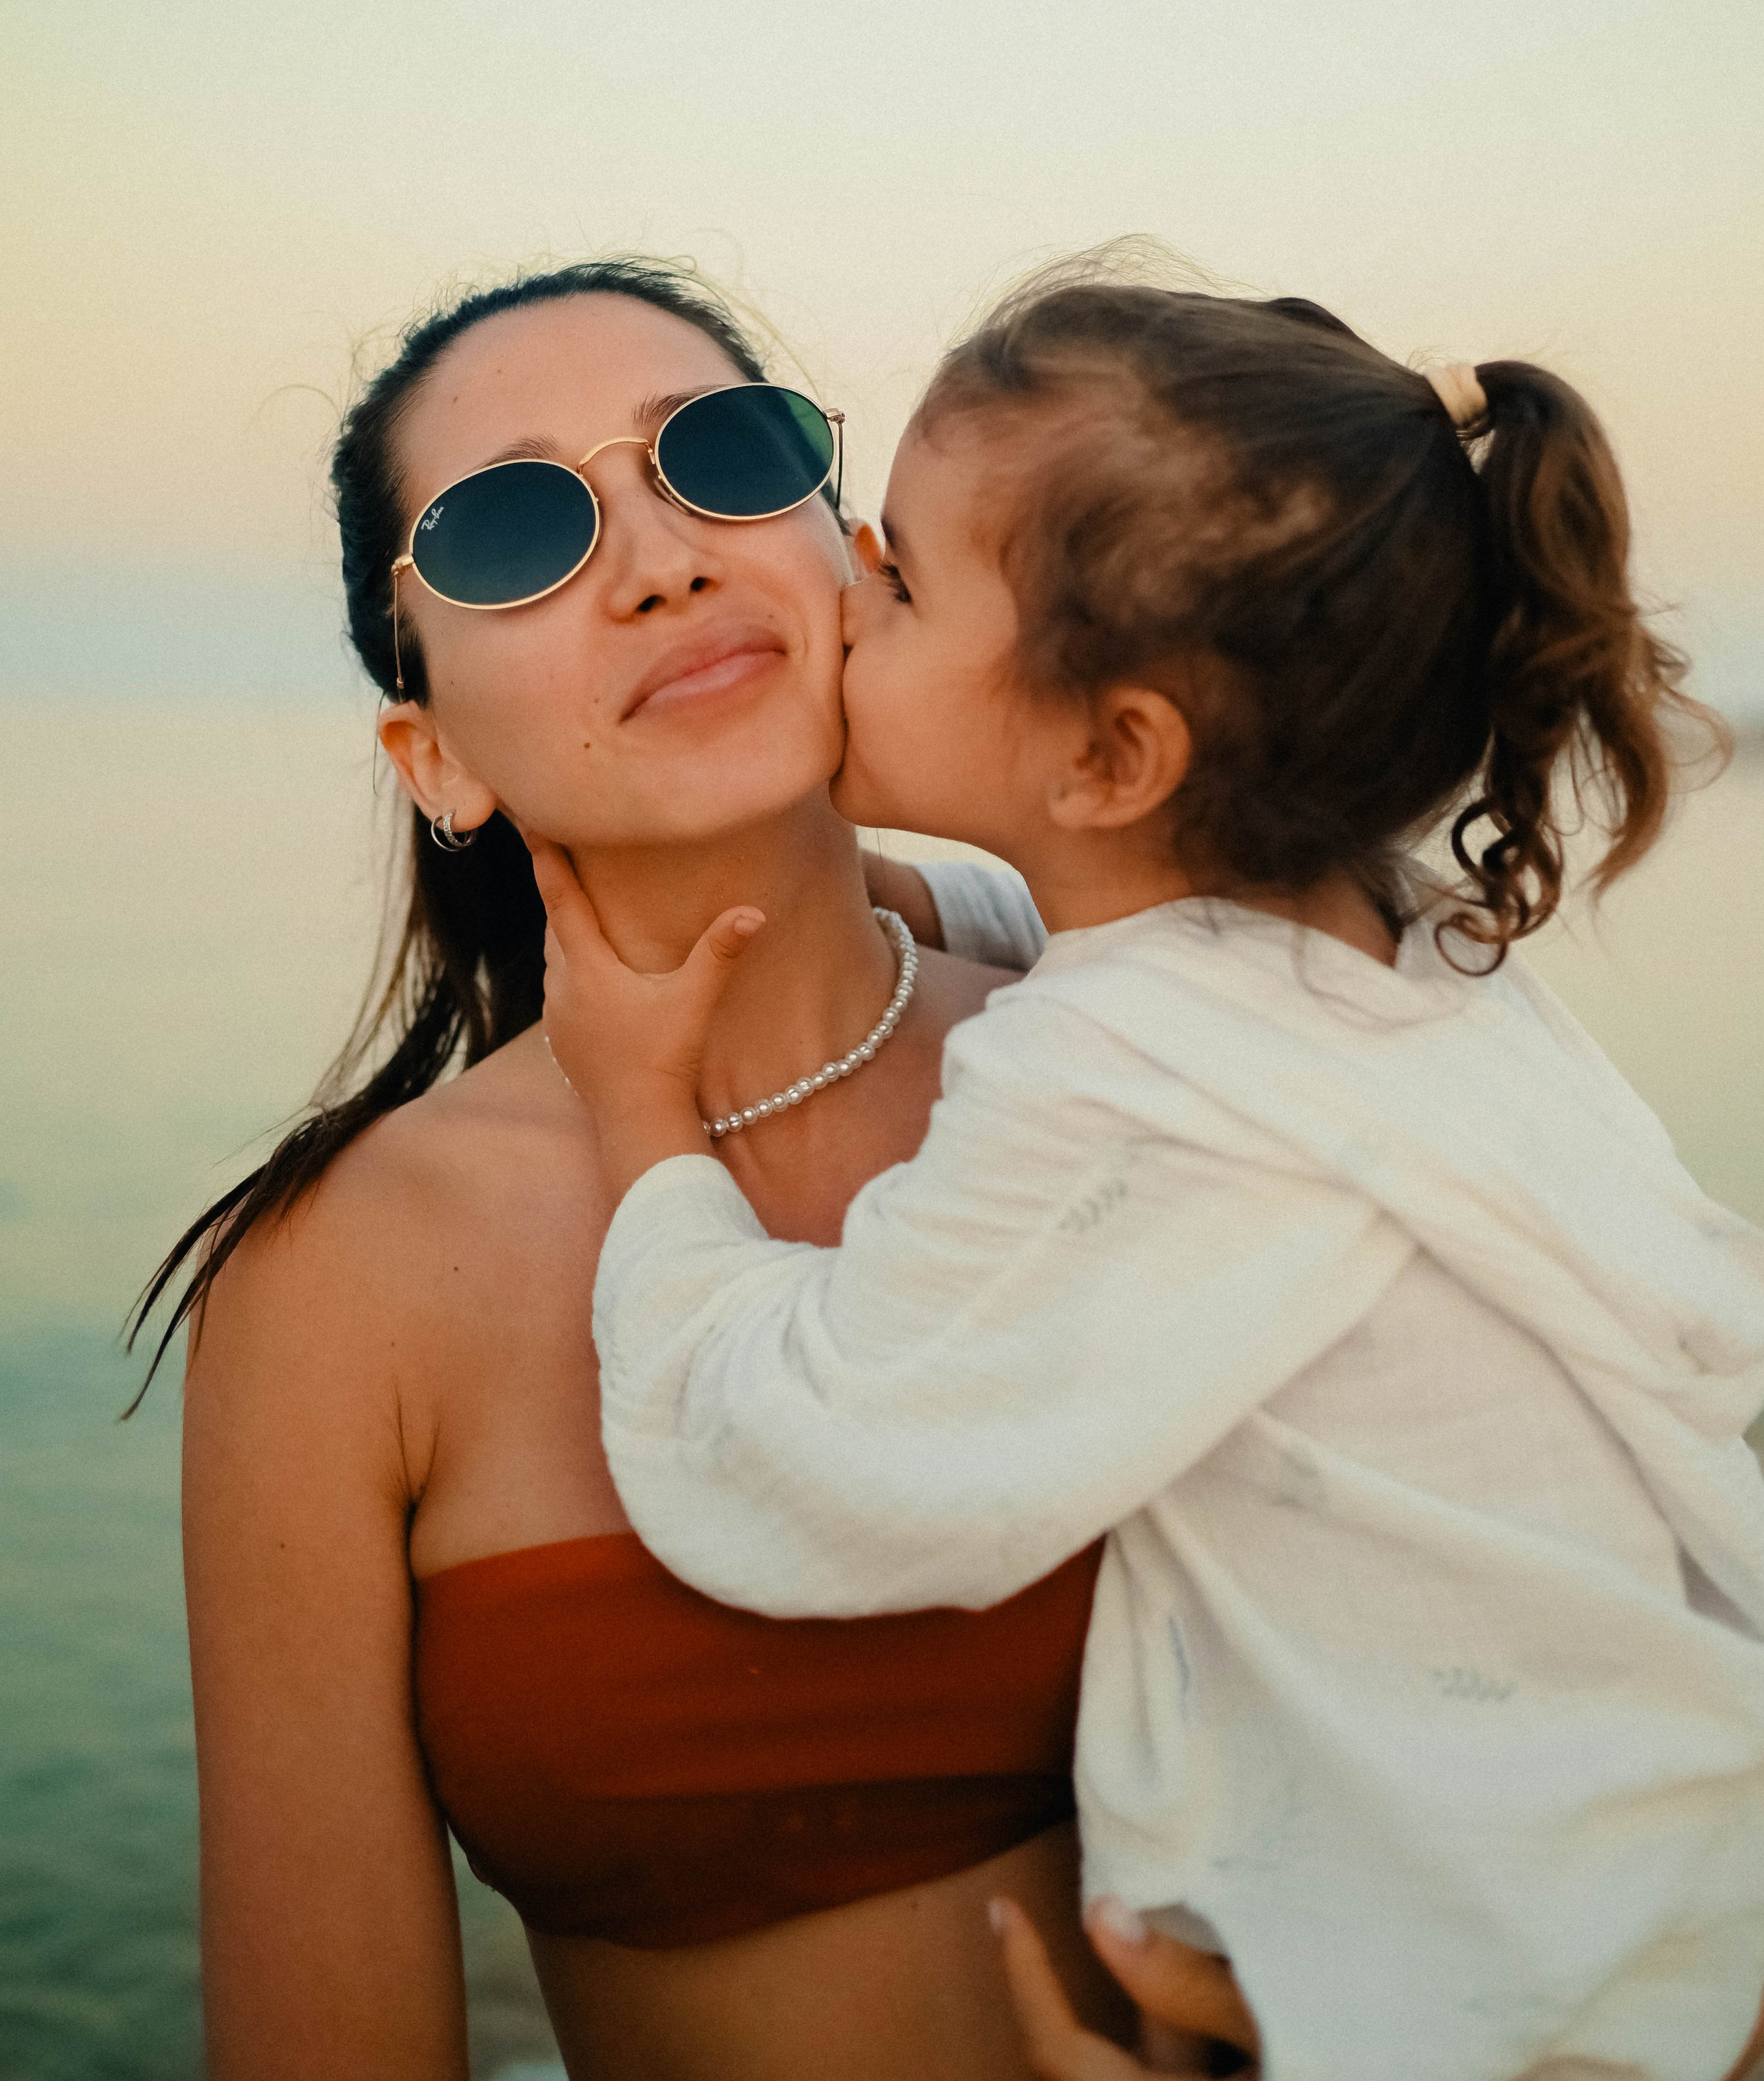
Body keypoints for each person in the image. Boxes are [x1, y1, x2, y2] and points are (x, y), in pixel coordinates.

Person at [533, 265, 1764, 2081]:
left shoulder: (1122, 1082)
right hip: (1654, 1865)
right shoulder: (1396, 955)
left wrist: (641, 1120)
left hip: (1522, 2001)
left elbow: (823, 1454)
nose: (849, 593)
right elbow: (1128, 949)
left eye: (907, 576)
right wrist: (930, 900)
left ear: (1115, 754)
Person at [134, 258, 1259, 2081]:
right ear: (433, 758)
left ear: (853, 564)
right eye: (515, 528)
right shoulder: (341, 1285)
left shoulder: (1157, 1071)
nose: (660, 559)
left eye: (724, 456)